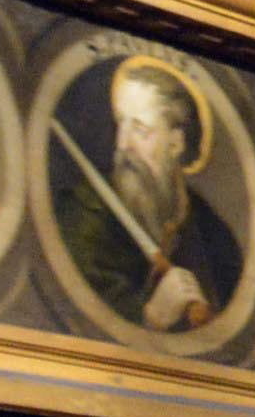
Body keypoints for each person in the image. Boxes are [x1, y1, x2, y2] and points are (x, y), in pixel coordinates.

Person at [50, 54, 243, 336]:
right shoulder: (82, 214)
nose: (122, 144)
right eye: (120, 124)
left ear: (175, 143)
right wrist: (152, 315)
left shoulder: (213, 235)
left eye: (140, 130)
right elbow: (78, 323)